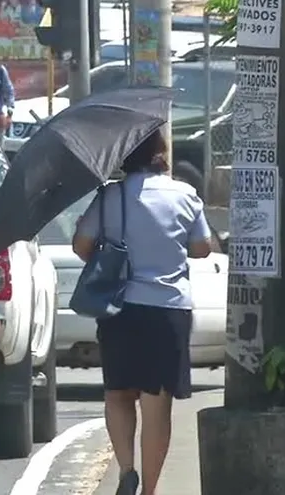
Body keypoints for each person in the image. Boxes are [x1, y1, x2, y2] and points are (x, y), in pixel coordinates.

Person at [71, 131, 213, 495]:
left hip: (120, 307)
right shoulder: (184, 195)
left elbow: (82, 245)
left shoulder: (110, 196)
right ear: (161, 154)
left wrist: (110, 252)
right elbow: (202, 248)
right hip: (168, 309)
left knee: (118, 393)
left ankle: (126, 469)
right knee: (157, 402)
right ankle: (149, 490)